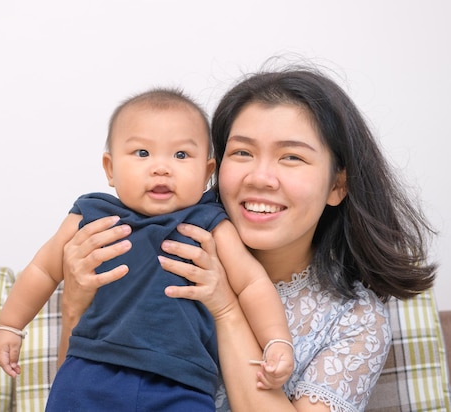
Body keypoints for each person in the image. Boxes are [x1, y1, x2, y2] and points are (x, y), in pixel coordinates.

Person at [59, 67, 437, 411]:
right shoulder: (153, 246)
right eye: (242, 152)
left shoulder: (354, 320)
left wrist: (225, 308)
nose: (260, 178)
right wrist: (75, 306)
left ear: (337, 185)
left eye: (291, 157)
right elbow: (76, 392)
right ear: (215, 166)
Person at [0, 88, 294, 411]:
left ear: (207, 174)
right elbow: (42, 269)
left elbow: (252, 283)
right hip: (90, 371)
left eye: (180, 155)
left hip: (182, 382)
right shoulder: (90, 215)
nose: (160, 168)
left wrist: (277, 341)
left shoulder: (209, 223)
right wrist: (10, 325)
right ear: (110, 168)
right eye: (142, 153)